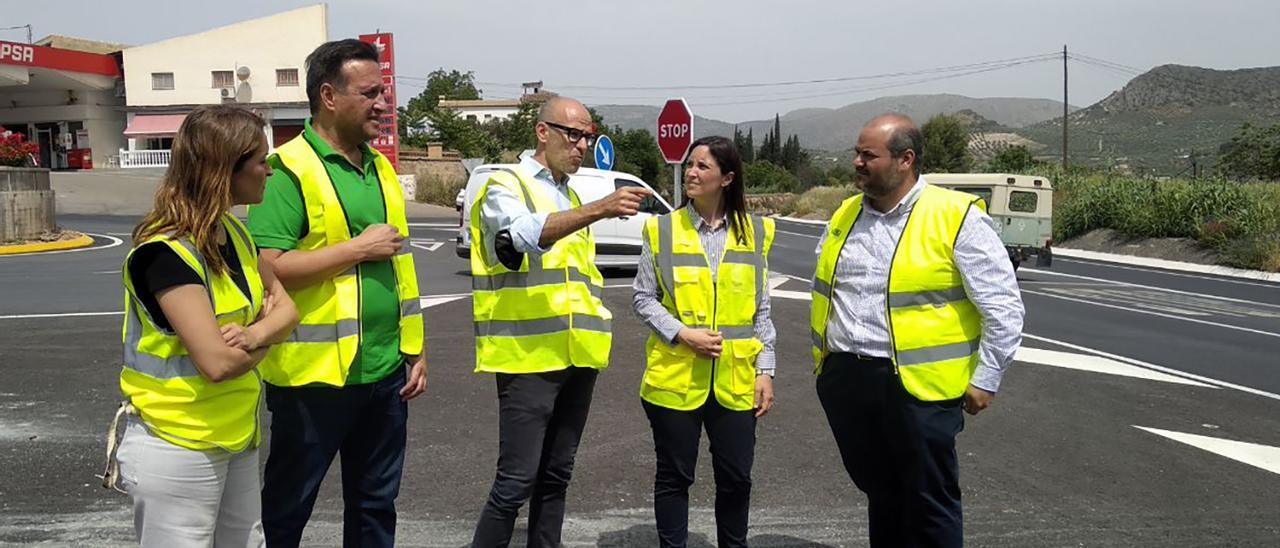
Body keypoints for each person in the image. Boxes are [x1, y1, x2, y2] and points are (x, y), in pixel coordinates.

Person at [810, 113, 1025, 547]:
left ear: (905, 159)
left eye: (868, 155)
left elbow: (1004, 308)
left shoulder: (955, 216)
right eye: (857, 152)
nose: (856, 162)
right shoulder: (846, 214)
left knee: (930, 501)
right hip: (848, 381)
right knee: (881, 494)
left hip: (919, 389)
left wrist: (986, 378)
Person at [246, 39, 427, 548]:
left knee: (375, 506)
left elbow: (401, 270)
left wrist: (415, 348)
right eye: (370, 93)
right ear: (328, 96)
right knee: (288, 508)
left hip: (385, 371)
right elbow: (270, 268)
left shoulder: (382, 168)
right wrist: (355, 249)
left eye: (383, 92)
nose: (383, 103)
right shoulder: (286, 169)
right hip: (313, 380)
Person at [103, 104, 299, 547]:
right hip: (177, 445)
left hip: (237, 437)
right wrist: (268, 333)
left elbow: (289, 311)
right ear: (224, 170)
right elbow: (216, 363)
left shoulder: (237, 234)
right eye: (260, 161)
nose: (268, 170)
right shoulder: (165, 255)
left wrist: (254, 335)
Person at [468, 95, 652, 547]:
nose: (582, 145)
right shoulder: (505, 184)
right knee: (514, 482)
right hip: (526, 357)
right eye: (574, 134)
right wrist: (600, 208)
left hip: (577, 355)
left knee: (556, 477)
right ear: (542, 131)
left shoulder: (566, 193)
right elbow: (516, 238)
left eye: (588, 137)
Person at [632, 136, 776, 548]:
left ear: (727, 178)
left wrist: (766, 370)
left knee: (736, 477)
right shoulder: (662, 229)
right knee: (674, 477)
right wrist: (681, 333)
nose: (691, 173)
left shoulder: (756, 232)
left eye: (702, 167)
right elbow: (642, 298)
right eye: (690, 165)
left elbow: (760, 311)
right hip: (675, 379)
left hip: (736, 380)